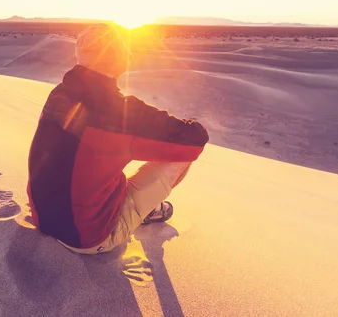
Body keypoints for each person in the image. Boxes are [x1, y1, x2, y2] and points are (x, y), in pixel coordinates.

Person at [26, 23, 209, 254]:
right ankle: (146, 210)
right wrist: (192, 123)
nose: (129, 51)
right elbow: (195, 141)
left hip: (43, 219)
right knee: (183, 152)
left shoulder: (59, 94)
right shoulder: (122, 112)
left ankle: (129, 206)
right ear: (117, 55)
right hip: (87, 238)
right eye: (125, 45)